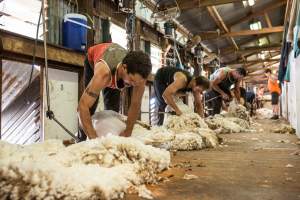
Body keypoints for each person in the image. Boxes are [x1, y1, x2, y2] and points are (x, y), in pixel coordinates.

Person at [77, 43, 152, 140]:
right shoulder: (103, 73)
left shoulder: (139, 78)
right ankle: (81, 139)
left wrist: (127, 132)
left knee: (112, 109)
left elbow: (135, 104)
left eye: (137, 83)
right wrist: (94, 139)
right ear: (124, 68)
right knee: (90, 107)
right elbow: (82, 107)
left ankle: (111, 139)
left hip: (116, 71)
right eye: (132, 80)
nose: (134, 85)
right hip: (93, 61)